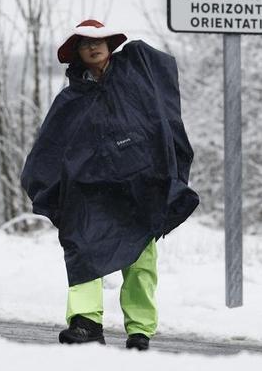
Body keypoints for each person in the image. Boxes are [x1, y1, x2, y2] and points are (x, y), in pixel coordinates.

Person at [21, 19, 199, 350]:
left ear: (109, 43)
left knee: (140, 263)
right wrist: (50, 189)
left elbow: (161, 120)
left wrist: (166, 173)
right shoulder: (71, 101)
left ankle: (140, 330)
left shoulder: (136, 84)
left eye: (98, 40)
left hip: (138, 189)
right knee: (83, 252)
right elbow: (50, 150)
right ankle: (85, 323)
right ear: (77, 52)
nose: (92, 46)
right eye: (84, 42)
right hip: (90, 195)